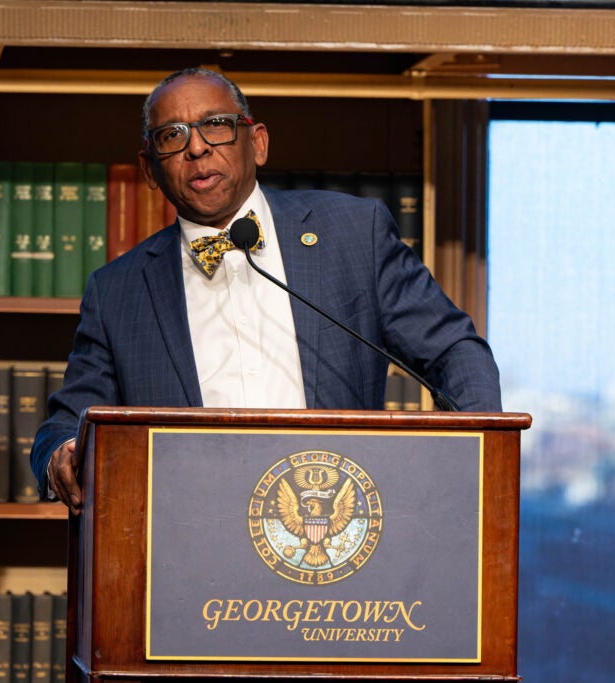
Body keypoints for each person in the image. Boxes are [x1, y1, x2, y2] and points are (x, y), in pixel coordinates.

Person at [32, 67, 501, 514]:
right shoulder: (118, 290)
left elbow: (454, 351)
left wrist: (480, 462)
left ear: (257, 143)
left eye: (216, 125)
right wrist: (61, 455)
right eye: (172, 135)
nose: (197, 148)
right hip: (192, 536)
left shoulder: (354, 235)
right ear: (150, 169)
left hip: (340, 528)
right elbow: (65, 425)